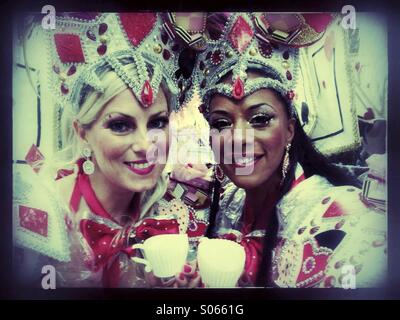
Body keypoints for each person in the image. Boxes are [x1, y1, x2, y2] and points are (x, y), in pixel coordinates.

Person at [194, 13, 387, 288]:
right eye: (221, 123)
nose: (238, 139)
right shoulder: (228, 204)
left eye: (260, 119)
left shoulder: (341, 216)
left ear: (289, 130)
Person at [13, 12, 201, 288]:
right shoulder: (39, 218)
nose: (146, 146)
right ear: (83, 133)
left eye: (157, 123)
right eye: (121, 125)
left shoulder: (172, 213)